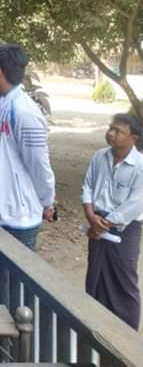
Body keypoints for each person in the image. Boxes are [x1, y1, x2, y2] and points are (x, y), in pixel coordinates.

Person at [0, 43, 56, 250]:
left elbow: (39, 165)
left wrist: (47, 202)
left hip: (17, 217)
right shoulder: (2, 106)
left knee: (11, 271)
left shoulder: (24, 113)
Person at [82, 113, 143, 330]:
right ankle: (96, 326)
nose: (111, 133)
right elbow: (88, 185)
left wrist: (103, 224)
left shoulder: (140, 165)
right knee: (95, 274)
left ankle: (126, 333)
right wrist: (91, 216)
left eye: (118, 131)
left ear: (133, 138)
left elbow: (135, 203)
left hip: (124, 229)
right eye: (110, 128)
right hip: (96, 221)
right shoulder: (100, 156)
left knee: (123, 279)